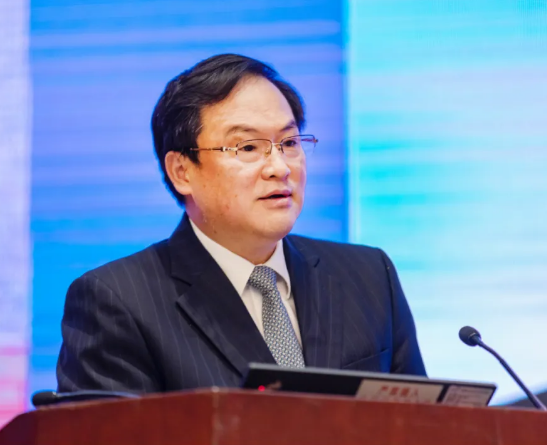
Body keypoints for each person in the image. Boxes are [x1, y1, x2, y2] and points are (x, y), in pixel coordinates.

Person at [56, 54, 426, 393]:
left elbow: (422, 424)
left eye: (289, 143)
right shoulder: (117, 302)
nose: (280, 167)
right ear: (182, 171)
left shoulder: (368, 276)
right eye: (248, 147)